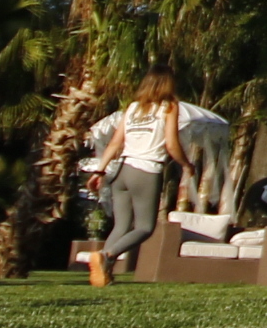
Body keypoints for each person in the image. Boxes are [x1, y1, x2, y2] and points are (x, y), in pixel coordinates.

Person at [80, 69, 187, 289]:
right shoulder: (169, 106)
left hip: (122, 171)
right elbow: (171, 144)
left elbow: (115, 143)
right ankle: (106, 255)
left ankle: (103, 275)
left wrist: (99, 171)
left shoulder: (133, 108)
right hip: (146, 171)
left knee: (121, 226)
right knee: (145, 227)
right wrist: (187, 164)